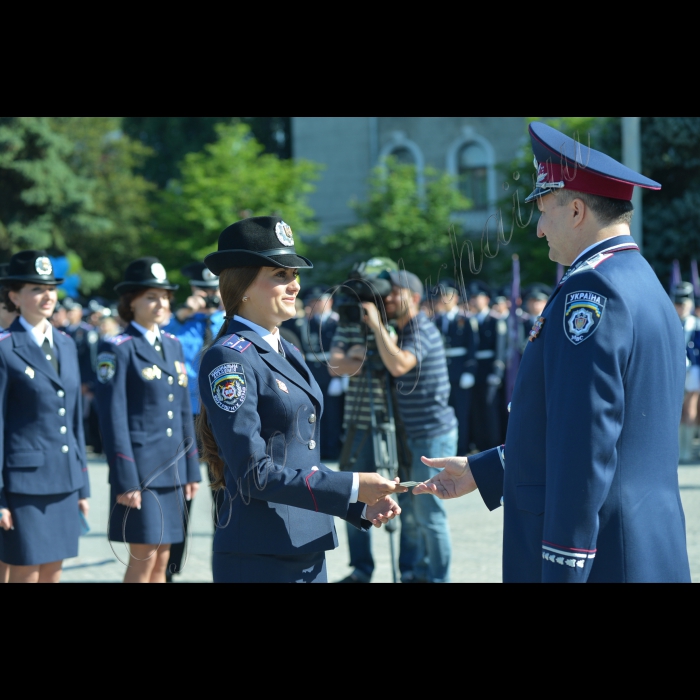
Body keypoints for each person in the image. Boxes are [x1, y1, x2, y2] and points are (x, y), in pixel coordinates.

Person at [414, 121, 691, 583]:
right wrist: (487, 469)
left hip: (603, 554)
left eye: (544, 210)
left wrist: (565, 565)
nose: (540, 229)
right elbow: (597, 430)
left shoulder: (591, 291)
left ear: (577, 210)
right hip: (641, 543)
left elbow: (585, 444)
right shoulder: (640, 281)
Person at [197, 215, 405, 583]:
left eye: (294, 275)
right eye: (280, 275)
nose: (294, 285)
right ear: (242, 286)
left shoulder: (288, 350)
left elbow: (299, 457)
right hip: (260, 554)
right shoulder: (229, 357)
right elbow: (253, 473)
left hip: (305, 544)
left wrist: (356, 502)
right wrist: (354, 486)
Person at [96, 257, 201, 583]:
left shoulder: (172, 345)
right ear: (131, 302)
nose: (162, 303)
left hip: (171, 471)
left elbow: (184, 411)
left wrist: (191, 469)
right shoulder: (117, 348)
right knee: (143, 558)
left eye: (166, 296)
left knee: (164, 559)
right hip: (140, 473)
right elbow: (113, 419)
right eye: (151, 297)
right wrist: (126, 478)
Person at [361, 268, 458, 583]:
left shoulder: (420, 328)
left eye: (395, 292)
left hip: (432, 435)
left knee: (430, 516)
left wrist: (377, 326)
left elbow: (400, 364)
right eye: (386, 292)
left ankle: (438, 578)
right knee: (413, 516)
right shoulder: (402, 330)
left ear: (414, 298)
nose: (388, 297)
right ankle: (413, 575)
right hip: (412, 434)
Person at [0, 250, 90, 583]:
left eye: (51, 288)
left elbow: (75, 419)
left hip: (64, 480)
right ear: (14, 296)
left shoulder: (66, 343)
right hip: (23, 485)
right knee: (25, 571)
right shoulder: (5, 347)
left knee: (53, 572)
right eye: (36, 289)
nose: (47, 296)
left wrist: (83, 486)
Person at [161, 261, 225, 580]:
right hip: (184, 418)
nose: (209, 298)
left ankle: (225, 567)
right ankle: (170, 569)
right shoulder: (176, 324)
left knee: (223, 497)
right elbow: (155, 346)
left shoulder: (228, 322)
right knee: (177, 497)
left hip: (219, 419)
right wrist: (182, 314)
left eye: (214, 291)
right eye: (204, 292)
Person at [431, 282, 478, 456]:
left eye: (447, 296)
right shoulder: (436, 320)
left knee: (461, 413)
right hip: (442, 373)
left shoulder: (465, 319)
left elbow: (472, 347)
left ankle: (461, 449)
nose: (443, 300)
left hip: (460, 372)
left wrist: (470, 371)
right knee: (443, 413)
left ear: (455, 298)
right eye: (441, 297)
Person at [298, 286, 343, 460]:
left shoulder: (337, 321)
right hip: (312, 370)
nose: (315, 305)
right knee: (314, 412)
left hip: (332, 371)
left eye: (320, 301)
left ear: (329, 302)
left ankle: (333, 448)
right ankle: (319, 448)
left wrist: (340, 374)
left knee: (333, 412)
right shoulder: (307, 322)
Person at [468, 282, 507, 451]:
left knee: (490, 408)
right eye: (473, 297)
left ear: (486, 299)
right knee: (477, 409)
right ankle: (480, 444)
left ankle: (493, 444)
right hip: (476, 370)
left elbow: (500, 348)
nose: (474, 300)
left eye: (478, 297)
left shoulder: (494, 320)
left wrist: (497, 371)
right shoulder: (471, 320)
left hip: (490, 369)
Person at [674, 281, 700, 462]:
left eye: (684, 303)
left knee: (690, 408)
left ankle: (686, 451)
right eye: (678, 303)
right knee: (675, 409)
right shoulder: (671, 321)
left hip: (693, 370)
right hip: (675, 370)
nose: (681, 306)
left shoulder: (696, 324)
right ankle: (676, 450)